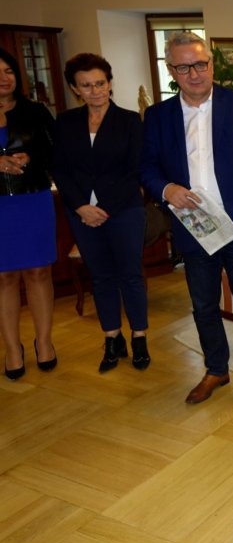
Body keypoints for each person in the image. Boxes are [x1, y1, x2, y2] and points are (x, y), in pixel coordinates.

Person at [141, 32, 233, 417]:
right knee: (203, 305)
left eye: (200, 64)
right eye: (183, 67)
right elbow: (147, 167)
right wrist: (166, 189)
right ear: (171, 70)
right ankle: (216, 369)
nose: (194, 73)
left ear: (211, 63)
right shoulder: (158, 116)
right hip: (193, 227)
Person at [53, 53, 150, 373]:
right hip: (81, 213)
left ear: (110, 83)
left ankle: (139, 337)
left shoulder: (130, 121)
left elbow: (135, 171)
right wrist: (81, 206)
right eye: (86, 85)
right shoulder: (66, 122)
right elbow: (60, 169)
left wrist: (104, 208)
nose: (95, 91)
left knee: (130, 275)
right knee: (101, 276)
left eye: (100, 83)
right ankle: (112, 338)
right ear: (74, 88)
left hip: (124, 210)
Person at [0, 47, 58, 380]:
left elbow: (56, 151)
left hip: (33, 200)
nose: (3, 78)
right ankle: (12, 349)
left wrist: (31, 158)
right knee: (4, 277)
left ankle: (44, 343)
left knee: (38, 272)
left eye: (8, 71)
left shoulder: (35, 111)